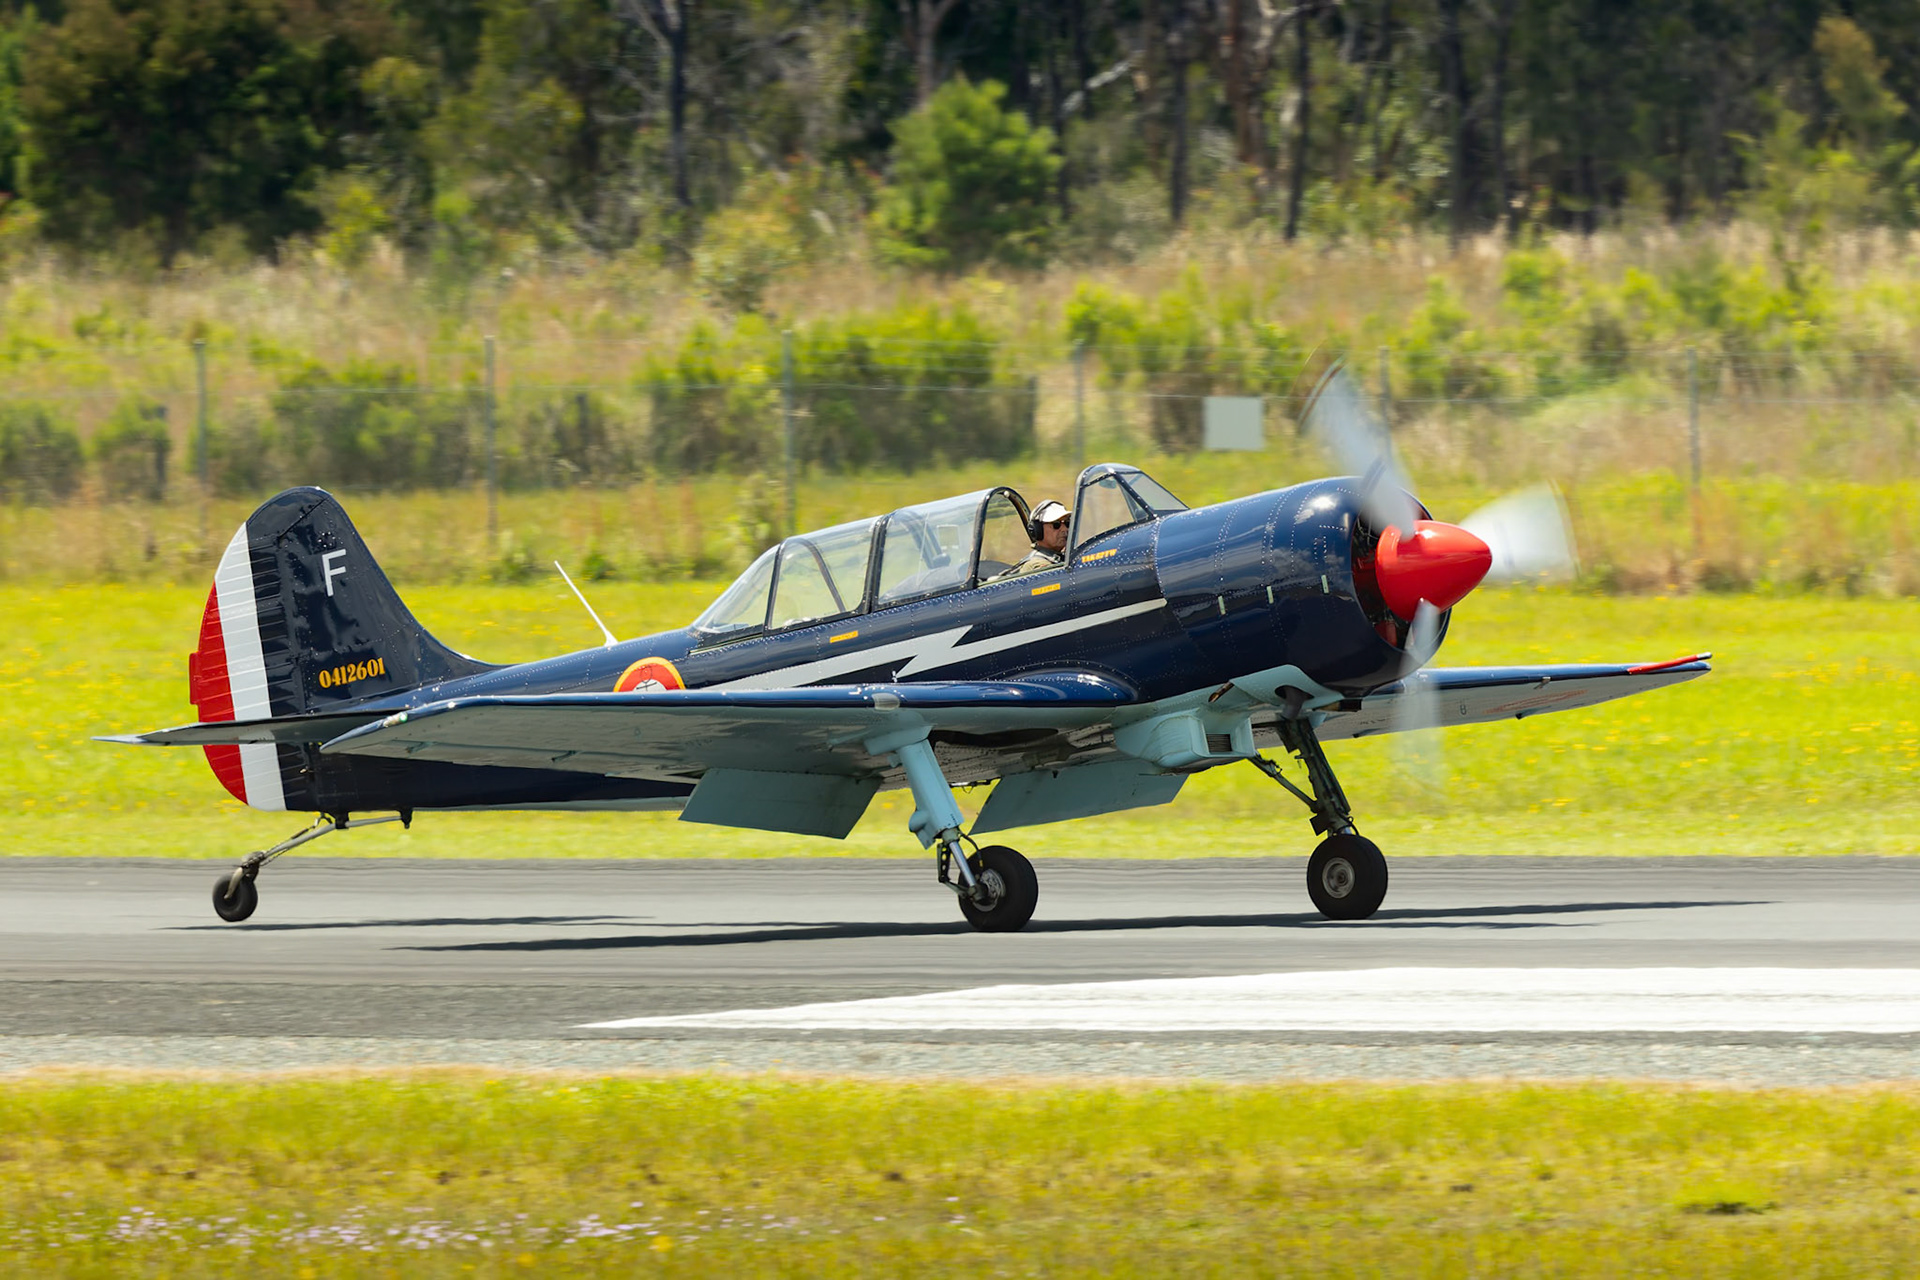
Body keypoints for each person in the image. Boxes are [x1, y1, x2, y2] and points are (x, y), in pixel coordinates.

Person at [1000, 499, 1070, 578]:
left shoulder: (1060, 557)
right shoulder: (1036, 565)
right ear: (1038, 529)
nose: (1065, 529)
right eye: (1056, 524)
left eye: (1067, 523)